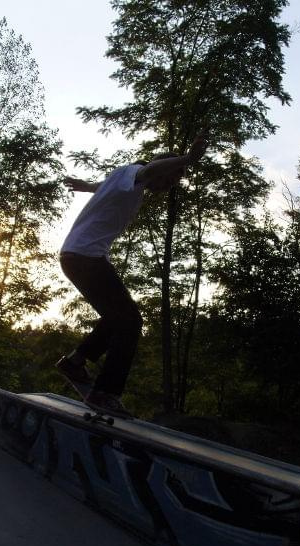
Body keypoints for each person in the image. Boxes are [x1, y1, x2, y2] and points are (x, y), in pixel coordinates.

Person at [56, 131, 208, 417]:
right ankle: (105, 393)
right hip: (85, 257)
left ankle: (75, 362)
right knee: (130, 322)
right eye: (171, 178)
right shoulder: (137, 172)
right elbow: (150, 170)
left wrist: (87, 186)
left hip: (79, 256)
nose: (169, 186)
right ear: (161, 169)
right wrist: (189, 158)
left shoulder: (122, 178)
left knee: (117, 318)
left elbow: (103, 186)